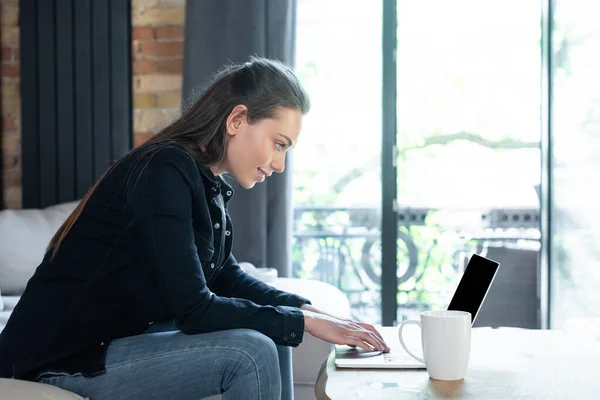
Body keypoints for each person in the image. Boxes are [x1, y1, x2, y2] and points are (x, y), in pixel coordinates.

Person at [0, 56, 389, 400]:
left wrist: (309, 311)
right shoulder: (164, 170)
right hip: (59, 360)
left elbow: (227, 277)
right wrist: (303, 321)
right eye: (279, 144)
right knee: (251, 352)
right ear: (237, 119)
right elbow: (195, 310)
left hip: (111, 343)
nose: (279, 164)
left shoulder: (202, 182)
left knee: (274, 329)